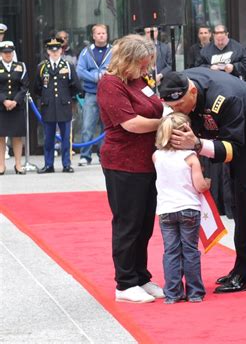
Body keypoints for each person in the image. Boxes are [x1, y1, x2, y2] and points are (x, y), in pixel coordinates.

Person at [159, 67, 246, 293]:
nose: (176, 111)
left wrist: (196, 144)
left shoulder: (225, 97)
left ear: (193, 92)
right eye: (171, 107)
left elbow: (232, 149)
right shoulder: (181, 85)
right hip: (233, 133)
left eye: (179, 106)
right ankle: (245, 262)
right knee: (236, 201)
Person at [97, 34, 164, 303]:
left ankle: (141, 277)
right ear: (128, 60)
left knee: (145, 223)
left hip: (147, 162)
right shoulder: (110, 84)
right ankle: (124, 284)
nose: (147, 70)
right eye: (143, 65)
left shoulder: (137, 81)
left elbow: (153, 106)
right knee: (128, 223)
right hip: (123, 163)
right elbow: (131, 124)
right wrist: (164, 123)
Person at [153, 112, 209, 304]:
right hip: (189, 208)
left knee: (171, 251)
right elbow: (199, 186)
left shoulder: (156, 156)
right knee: (190, 250)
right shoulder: (190, 157)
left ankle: (173, 293)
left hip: (166, 210)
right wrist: (207, 182)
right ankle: (194, 292)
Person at [34, 38, 82, 174]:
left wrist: (66, 97)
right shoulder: (42, 66)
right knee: (48, 138)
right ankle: (48, 165)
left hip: (63, 106)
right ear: (48, 51)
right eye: (51, 50)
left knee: (66, 138)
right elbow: (37, 88)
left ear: (61, 50)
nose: (54, 52)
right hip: (48, 106)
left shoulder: (67, 66)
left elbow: (76, 85)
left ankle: (66, 164)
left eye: (57, 49)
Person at [77, 24, 112, 166]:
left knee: (107, 127)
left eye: (104, 33)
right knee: (87, 125)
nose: (101, 35)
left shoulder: (114, 51)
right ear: (93, 36)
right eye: (98, 33)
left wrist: (107, 75)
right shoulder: (86, 52)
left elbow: (119, 67)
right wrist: (96, 77)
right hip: (91, 94)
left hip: (109, 94)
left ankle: (104, 155)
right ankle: (85, 156)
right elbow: (80, 70)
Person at [0, 41, 28, 175]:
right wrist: (4, 100)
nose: (8, 55)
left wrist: (15, 101)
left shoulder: (20, 66)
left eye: (10, 52)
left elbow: (24, 86)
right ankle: (1, 165)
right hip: (1, 106)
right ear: (1, 54)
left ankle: (18, 165)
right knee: (0, 137)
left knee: (17, 136)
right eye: (5, 53)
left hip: (17, 107)